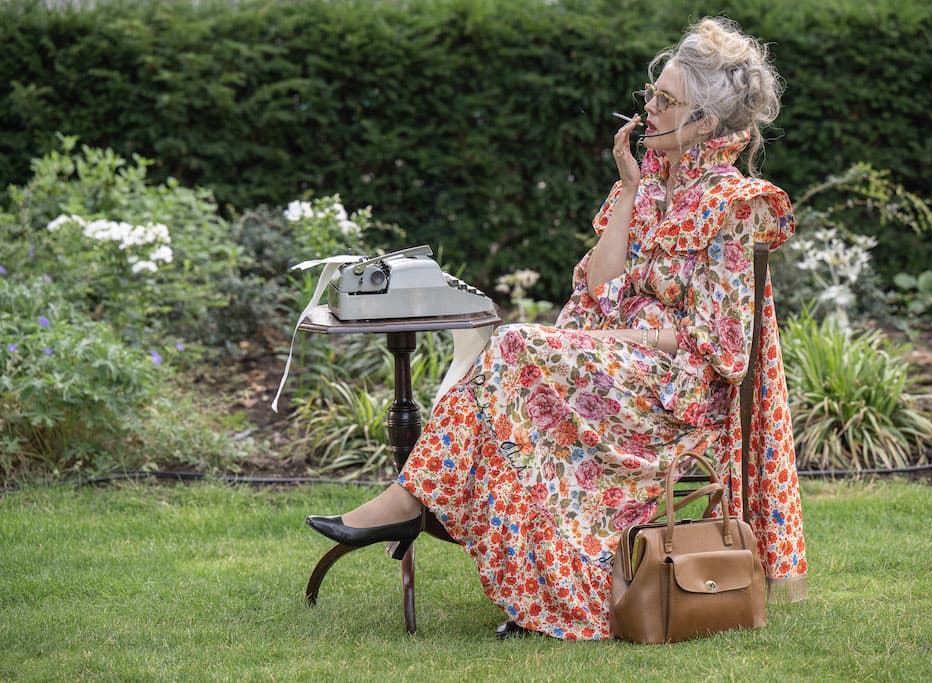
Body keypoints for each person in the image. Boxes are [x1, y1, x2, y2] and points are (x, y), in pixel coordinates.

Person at [306, 16, 808, 640]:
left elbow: (720, 343)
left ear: (705, 123)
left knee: (515, 348)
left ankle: (406, 504)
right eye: (651, 95)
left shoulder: (734, 204)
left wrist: (612, 342)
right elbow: (598, 291)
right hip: (619, 368)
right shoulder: (648, 183)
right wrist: (627, 190)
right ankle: (526, 586)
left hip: (677, 392)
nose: (648, 108)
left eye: (666, 101)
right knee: (514, 384)